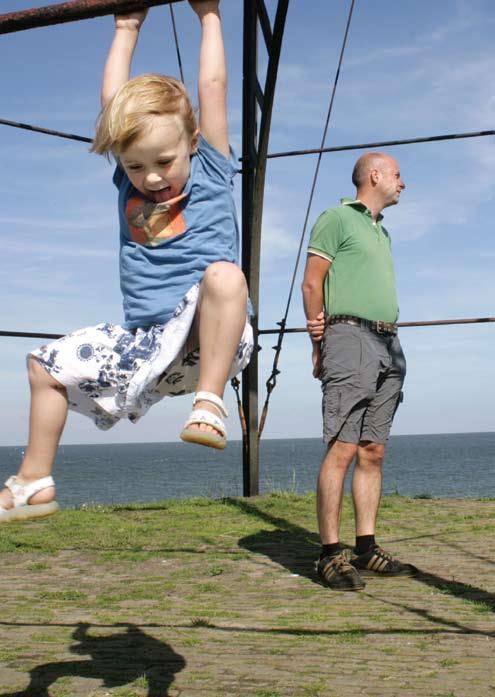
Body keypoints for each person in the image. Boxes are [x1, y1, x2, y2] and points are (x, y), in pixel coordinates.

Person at [0, 1, 253, 522]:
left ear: (194, 143)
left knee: (225, 276)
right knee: (43, 366)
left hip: (212, 336)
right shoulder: (127, 180)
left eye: (164, 162)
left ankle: (210, 403)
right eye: (136, 165)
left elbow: (213, 88)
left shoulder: (211, 166)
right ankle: (34, 481)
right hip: (148, 347)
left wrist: (209, 15)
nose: (152, 177)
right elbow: (111, 102)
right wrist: (126, 25)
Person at [302, 152, 417, 590]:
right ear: (375, 175)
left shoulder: (380, 231)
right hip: (349, 337)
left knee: (373, 449)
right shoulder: (337, 218)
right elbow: (313, 282)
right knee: (343, 447)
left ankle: (366, 547)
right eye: (398, 174)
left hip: (389, 341)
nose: (402, 183)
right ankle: (329, 554)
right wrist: (319, 342)